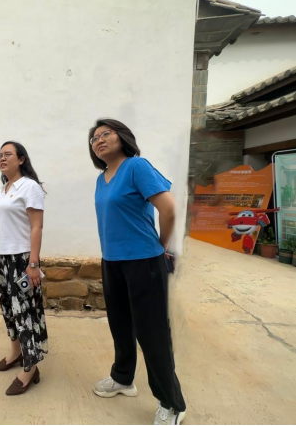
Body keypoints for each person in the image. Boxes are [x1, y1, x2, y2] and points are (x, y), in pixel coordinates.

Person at [88, 118, 186, 425]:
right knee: (120, 325)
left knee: (152, 334)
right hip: (112, 262)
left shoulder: (136, 166)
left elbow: (168, 209)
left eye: (106, 133)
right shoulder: (102, 178)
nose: (99, 139)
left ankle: (172, 403)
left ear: (123, 137)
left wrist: (160, 246)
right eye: (94, 138)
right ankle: (123, 378)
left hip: (144, 261)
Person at [0, 141, 48, 396]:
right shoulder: (3, 189)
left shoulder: (29, 187)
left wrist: (33, 264)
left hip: (22, 259)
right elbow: (2, 226)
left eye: (8, 154)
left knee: (25, 312)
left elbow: (36, 227)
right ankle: (15, 353)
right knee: (8, 309)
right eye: (0, 155)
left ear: (21, 159)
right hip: (2, 258)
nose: (2, 158)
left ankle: (30, 367)